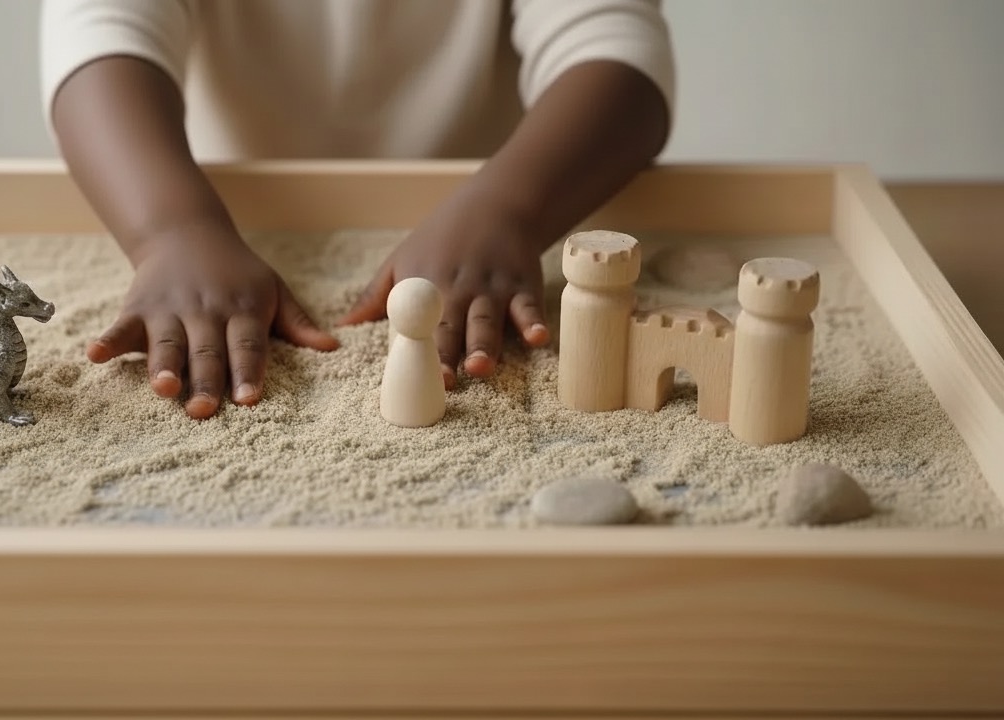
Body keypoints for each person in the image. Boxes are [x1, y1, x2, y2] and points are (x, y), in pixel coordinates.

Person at [40, 0, 674, 419]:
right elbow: (98, 33)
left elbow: (618, 50)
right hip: (213, 208)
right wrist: (171, 229)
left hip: (505, 201)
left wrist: (508, 209)